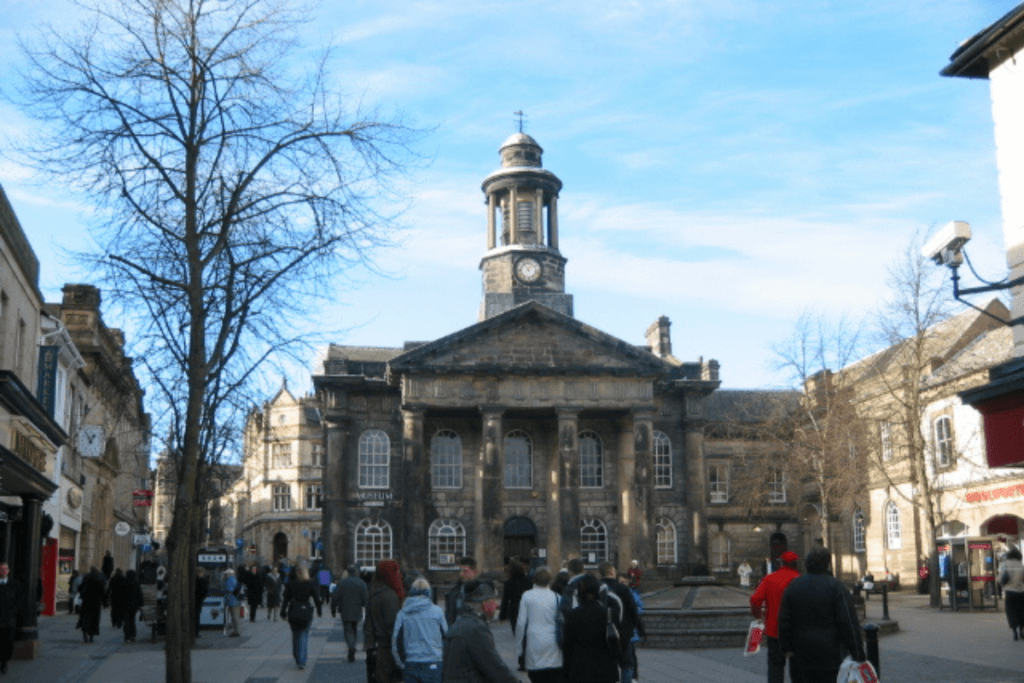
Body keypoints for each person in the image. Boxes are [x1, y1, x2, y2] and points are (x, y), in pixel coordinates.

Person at [778, 547, 865, 683]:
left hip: (800, 655)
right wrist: (858, 653)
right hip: (830, 655)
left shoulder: (793, 586)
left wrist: (786, 648)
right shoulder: (836, 587)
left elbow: (784, 621)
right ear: (827, 564)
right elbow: (848, 622)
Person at [442, 579, 518, 683]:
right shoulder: (476, 629)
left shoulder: (460, 623)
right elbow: (494, 667)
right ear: (484, 602)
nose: (496, 605)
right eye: (493, 599)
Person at [750, 550, 801, 683]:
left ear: (781, 563)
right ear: (795, 564)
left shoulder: (769, 578)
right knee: (798, 669)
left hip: (774, 631)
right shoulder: (800, 580)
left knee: (775, 667)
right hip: (796, 632)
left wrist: (758, 614)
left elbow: (755, 599)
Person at [562, 574, 620, 683]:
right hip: (604, 667)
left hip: (579, 668)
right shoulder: (606, 614)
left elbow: (567, 646)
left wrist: (566, 673)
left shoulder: (573, 615)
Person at [514, 567, 564, 683]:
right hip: (553, 642)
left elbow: (521, 624)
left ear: (534, 580)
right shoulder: (557, 597)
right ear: (550, 580)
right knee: (554, 675)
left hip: (534, 640)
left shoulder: (527, 596)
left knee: (536, 676)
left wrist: (519, 648)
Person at [392, 577, 447, 683]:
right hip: (434, 662)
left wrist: (401, 663)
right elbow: (446, 637)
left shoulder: (403, 613)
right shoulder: (437, 611)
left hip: (411, 663)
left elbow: (396, 641)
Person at [598, 562, 640, 683]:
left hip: (603, 631)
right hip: (623, 631)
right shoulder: (622, 588)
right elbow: (632, 610)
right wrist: (635, 626)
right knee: (627, 664)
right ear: (611, 572)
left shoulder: (597, 587)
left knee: (608, 664)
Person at [366, 559, 405, 683]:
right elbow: (393, 626)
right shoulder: (389, 596)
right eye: (396, 571)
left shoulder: (373, 592)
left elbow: (368, 624)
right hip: (387, 650)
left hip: (374, 647)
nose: (399, 575)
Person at [281, 565, 323, 670]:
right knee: (303, 635)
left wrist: (283, 611)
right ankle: (302, 660)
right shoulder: (310, 583)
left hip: (294, 611)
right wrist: (319, 610)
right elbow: (317, 599)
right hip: (306, 611)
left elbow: (286, 599)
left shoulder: (291, 584)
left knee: (295, 635)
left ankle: (297, 656)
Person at [334, 564, 369, 662]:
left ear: (348, 572)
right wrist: (367, 609)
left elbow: (335, 597)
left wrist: (333, 608)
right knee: (354, 628)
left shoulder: (343, 583)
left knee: (348, 629)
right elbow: (366, 598)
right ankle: (352, 645)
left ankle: (351, 646)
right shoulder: (361, 583)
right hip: (357, 610)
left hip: (345, 610)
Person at [999, 547, 1024, 640]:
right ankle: (1022, 631)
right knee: (1021, 612)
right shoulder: (1021, 565)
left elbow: (1000, 578)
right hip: (1021, 592)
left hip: (1010, 592)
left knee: (1011, 612)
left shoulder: (1005, 565)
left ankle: (1015, 632)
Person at [445, 557, 478, 626]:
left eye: (465, 571)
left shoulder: (481, 591)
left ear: (474, 572)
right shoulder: (454, 592)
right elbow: (449, 617)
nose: (461, 574)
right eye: (460, 571)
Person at [0, 563, 20, 674]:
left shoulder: (14, 584)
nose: (3, 571)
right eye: (1, 569)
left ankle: (4, 661)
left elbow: (18, 601)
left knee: (8, 643)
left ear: (8, 571)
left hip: (9, 619)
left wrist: (13, 612)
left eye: (5, 569)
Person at [79, 567, 107, 643]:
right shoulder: (98, 580)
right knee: (94, 620)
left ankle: (85, 634)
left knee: (85, 618)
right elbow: (102, 593)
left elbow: (80, 588)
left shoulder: (86, 578)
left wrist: (82, 595)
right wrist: (105, 603)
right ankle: (91, 636)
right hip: (95, 603)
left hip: (86, 602)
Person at [120, 569, 144, 643]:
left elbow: (120, 595)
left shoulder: (124, 583)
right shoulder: (136, 584)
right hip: (134, 605)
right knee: (132, 620)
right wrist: (140, 604)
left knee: (126, 620)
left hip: (125, 605)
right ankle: (132, 635)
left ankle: (127, 635)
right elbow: (139, 595)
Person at [223, 568, 242, 637]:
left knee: (234, 617)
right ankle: (236, 630)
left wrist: (226, 601)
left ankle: (236, 631)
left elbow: (229, 591)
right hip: (237, 600)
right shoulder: (235, 579)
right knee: (236, 616)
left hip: (232, 601)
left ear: (229, 574)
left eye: (226, 574)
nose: (225, 575)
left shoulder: (229, 580)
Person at [195, 567, 210, 638]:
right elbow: (205, 591)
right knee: (196, 616)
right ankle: (196, 632)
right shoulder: (203, 581)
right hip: (198, 600)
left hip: (195, 600)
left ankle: (195, 631)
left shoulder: (194, 581)